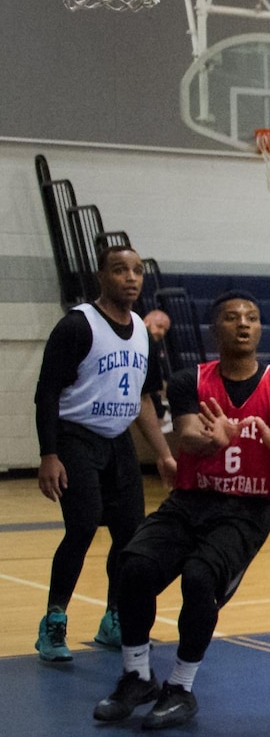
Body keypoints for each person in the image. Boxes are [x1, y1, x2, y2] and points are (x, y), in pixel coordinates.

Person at [92, 291, 270, 731]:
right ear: (216, 330)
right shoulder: (187, 380)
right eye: (232, 318)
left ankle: (181, 687)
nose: (244, 324)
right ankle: (137, 676)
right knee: (131, 565)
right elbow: (188, 436)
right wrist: (210, 440)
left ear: (260, 328)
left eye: (252, 317)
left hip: (247, 509)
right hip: (192, 499)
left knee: (198, 578)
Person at [32, 245, 176, 663]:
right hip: (76, 438)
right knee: (80, 528)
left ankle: (114, 618)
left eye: (136, 271)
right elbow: (46, 393)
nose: (130, 278)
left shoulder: (143, 332)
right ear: (101, 277)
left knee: (131, 536)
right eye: (119, 270)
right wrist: (49, 453)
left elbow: (145, 400)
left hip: (118, 443)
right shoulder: (78, 326)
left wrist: (164, 455)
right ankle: (54, 621)